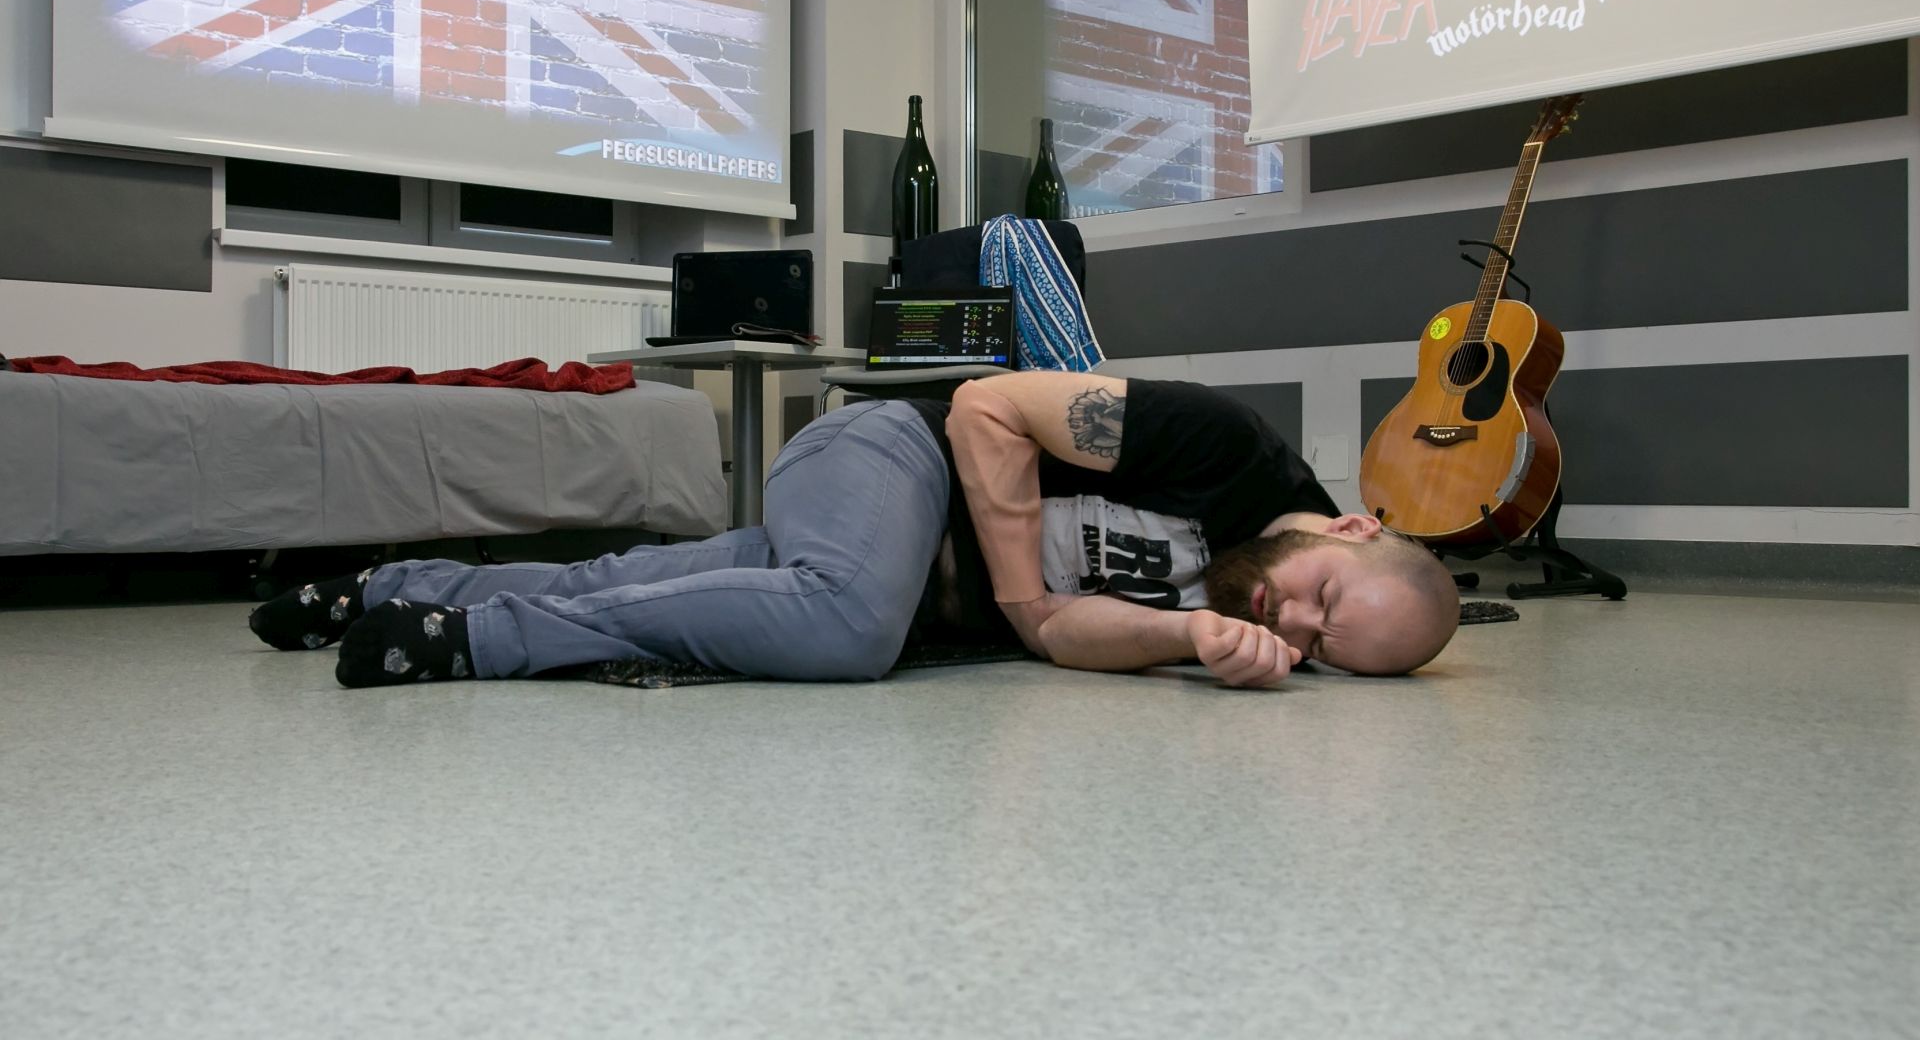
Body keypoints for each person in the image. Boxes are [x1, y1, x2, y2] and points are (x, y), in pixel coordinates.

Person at [248, 372, 1460, 689]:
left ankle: (386, 586)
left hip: (879, 554)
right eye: (1323, 598)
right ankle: (474, 641)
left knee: (684, 580)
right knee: (846, 624)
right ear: (1353, 526)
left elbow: (1059, 639)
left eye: (1322, 648)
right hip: (890, 454)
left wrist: (1189, 640)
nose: (1294, 622)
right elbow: (987, 405)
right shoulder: (1227, 448)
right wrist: (1022, 598)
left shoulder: (1242, 616)